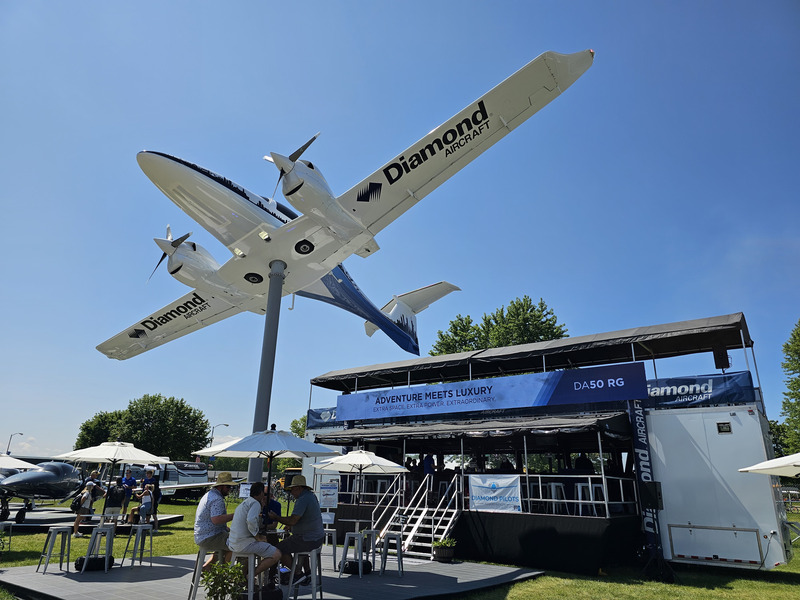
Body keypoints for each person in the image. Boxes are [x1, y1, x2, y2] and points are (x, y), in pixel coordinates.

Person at [268, 475, 324, 586]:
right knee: (293, 544)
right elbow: (302, 519)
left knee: (278, 549)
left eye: (292, 489)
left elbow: (293, 520)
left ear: (298, 488)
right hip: (316, 537)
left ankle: (298, 574)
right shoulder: (310, 496)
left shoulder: (303, 499)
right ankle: (307, 573)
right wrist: (292, 526)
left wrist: (276, 517)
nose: (291, 493)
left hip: (308, 538)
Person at [228, 482, 281, 585]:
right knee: (277, 554)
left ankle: (247, 576)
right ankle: (251, 575)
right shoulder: (255, 503)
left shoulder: (245, 502)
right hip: (244, 543)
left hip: (234, 542)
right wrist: (258, 537)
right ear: (261, 493)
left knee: (265, 547)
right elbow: (251, 520)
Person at [194, 471, 236, 570]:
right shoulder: (217, 499)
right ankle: (227, 574)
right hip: (209, 536)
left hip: (203, 535)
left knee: (229, 541)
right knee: (238, 544)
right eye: (228, 487)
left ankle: (207, 567)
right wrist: (235, 515)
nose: (229, 490)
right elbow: (216, 520)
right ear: (220, 487)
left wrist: (225, 528)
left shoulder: (209, 494)